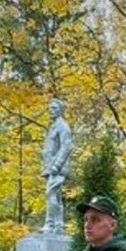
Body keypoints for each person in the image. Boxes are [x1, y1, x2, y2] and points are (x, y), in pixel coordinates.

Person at [41, 99, 72, 233]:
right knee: (55, 195)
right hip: (50, 168)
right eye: (50, 108)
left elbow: (67, 146)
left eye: (54, 108)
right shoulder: (53, 126)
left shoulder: (63, 126)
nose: (51, 111)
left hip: (57, 168)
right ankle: (58, 225)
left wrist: (57, 165)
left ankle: (50, 224)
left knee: (50, 193)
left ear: (60, 110)